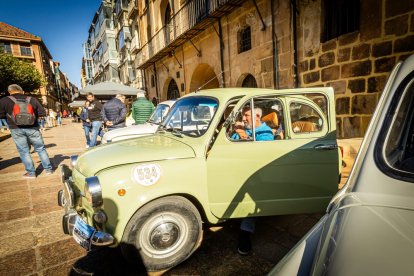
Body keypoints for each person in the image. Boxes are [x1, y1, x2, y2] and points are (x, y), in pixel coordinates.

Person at [231, 106, 273, 256]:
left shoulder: (266, 132)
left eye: (247, 116)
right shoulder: (247, 129)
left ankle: (245, 231)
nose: (244, 119)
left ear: (257, 116)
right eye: (243, 116)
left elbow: (261, 153)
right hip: (238, 169)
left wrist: (242, 135)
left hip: (258, 175)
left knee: (253, 195)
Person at [0, 84, 53, 178]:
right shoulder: (32, 99)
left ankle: (31, 173)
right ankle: (48, 169)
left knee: (24, 151)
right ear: (21, 90)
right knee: (40, 149)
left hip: (16, 129)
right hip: (33, 128)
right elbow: (42, 113)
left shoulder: (4, 100)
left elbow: (1, 115)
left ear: (10, 91)